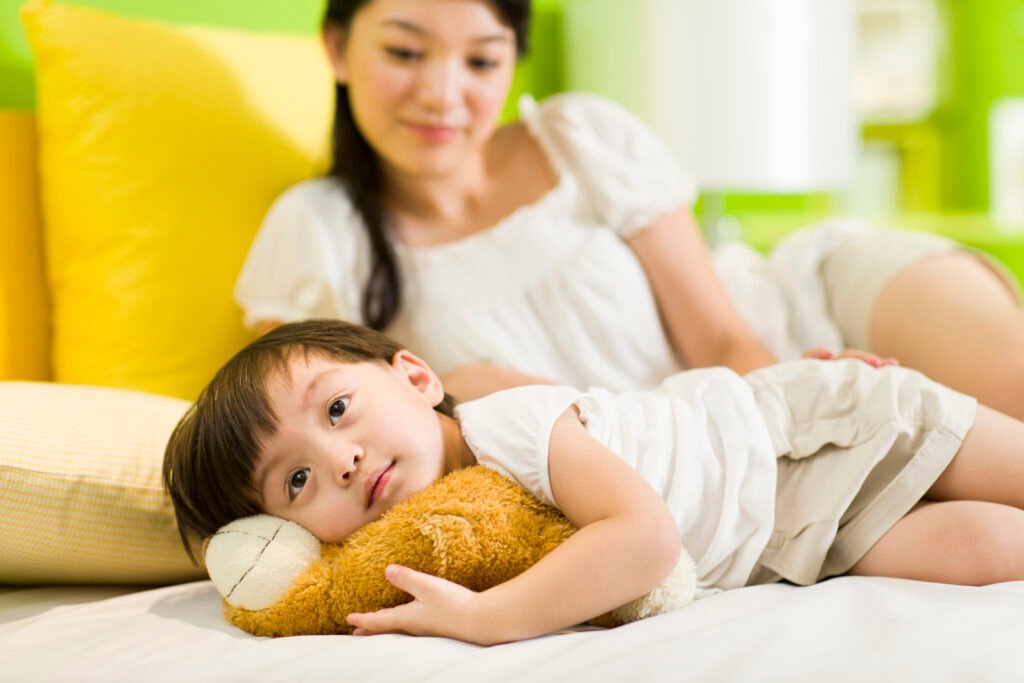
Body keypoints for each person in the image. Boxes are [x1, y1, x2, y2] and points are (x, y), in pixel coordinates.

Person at [234, 0, 1024, 419]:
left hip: (806, 327)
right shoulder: (317, 232)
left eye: (481, 59)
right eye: (404, 52)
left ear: (514, 59)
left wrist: (802, 395)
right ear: (337, 48)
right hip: (686, 452)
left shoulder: (582, 137)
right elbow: (292, 433)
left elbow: (721, 333)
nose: (443, 93)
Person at [165, 318, 1024, 645]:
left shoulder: (505, 425)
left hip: (797, 431)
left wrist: (487, 618)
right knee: (987, 549)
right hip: (783, 536)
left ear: (418, 378)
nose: (341, 458)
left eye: (341, 406)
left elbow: (643, 540)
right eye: (298, 479)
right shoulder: (442, 525)